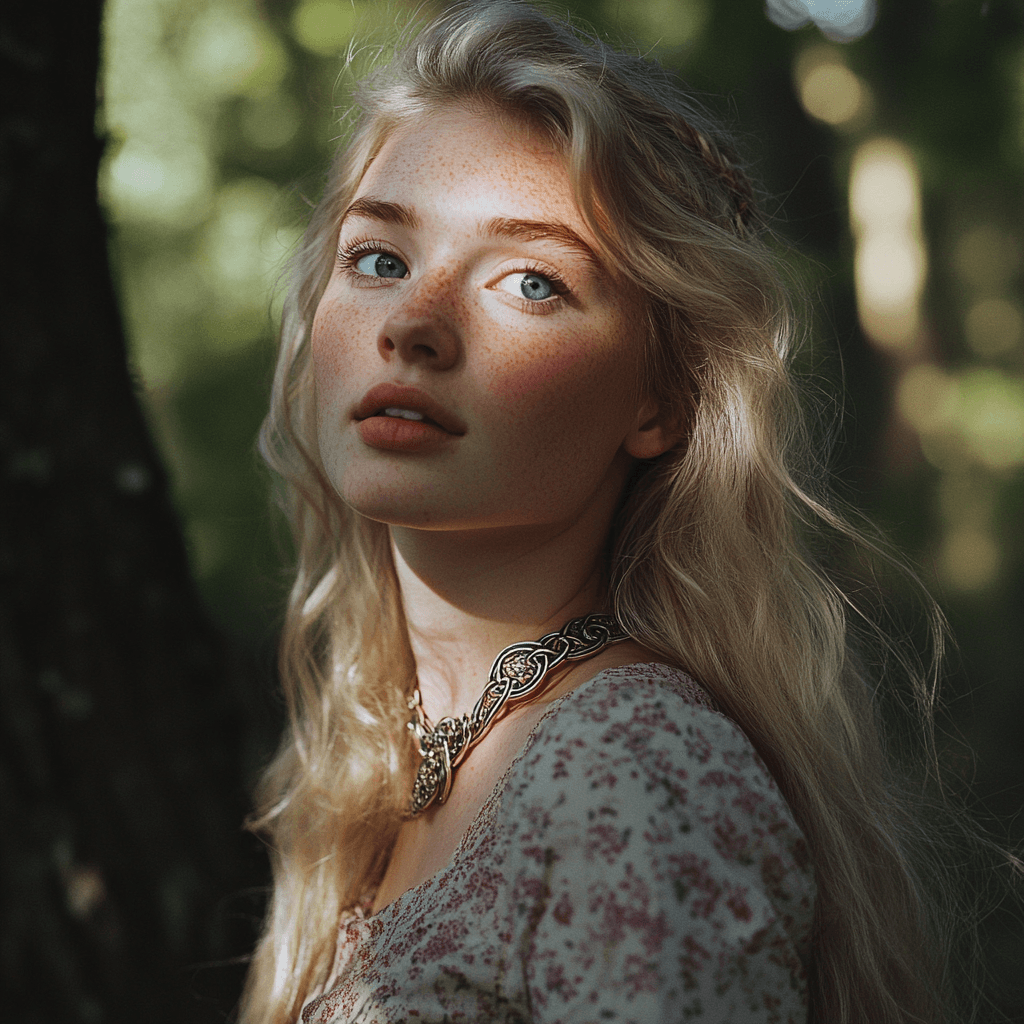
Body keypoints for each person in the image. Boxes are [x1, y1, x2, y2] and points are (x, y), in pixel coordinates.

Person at [239, 3, 997, 1022]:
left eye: (530, 282)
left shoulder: (638, 776)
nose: (414, 325)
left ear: (663, 400)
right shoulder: (381, 766)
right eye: (379, 258)